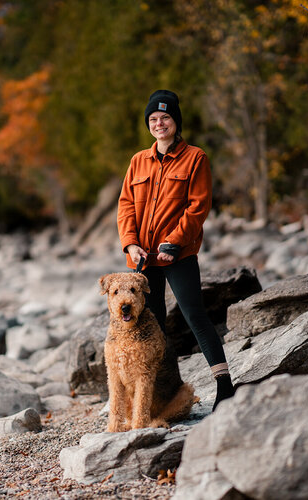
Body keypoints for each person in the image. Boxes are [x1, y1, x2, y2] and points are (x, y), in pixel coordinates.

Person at [117, 89, 235, 410]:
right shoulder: (138, 161)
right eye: (153, 119)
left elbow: (198, 207)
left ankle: (225, 386)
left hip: (178, 254)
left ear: (175, 121)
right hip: (142, 259)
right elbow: (126, 206)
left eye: (165, 118)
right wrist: (130, 243)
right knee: (149, 325)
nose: (159, 123)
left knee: (193, 314)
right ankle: (161, 395)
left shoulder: (195, 158)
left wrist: (175, 241)